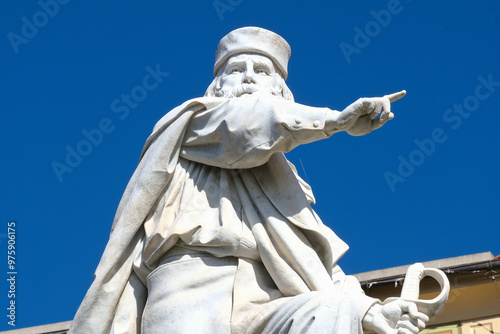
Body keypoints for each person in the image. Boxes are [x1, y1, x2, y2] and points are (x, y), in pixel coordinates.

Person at [69, 27, 429, 334]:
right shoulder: (191, 125)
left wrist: (367, 311)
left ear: (281, 90)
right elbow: (245, 125)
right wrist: (333, 121)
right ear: (217, 85)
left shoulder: (284, 179)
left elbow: (312, 260)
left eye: (261, 70)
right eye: (237, 69)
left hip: (267, 296)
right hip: (188, 293)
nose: (248, 77)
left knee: (327, 311)